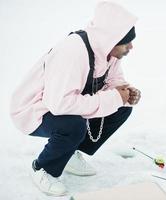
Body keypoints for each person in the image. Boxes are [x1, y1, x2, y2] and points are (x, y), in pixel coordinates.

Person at [9, 1, 141, 196]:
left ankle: (69, 153)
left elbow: (113, 81)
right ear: (111, 38)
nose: (131, 46)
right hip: (34, 110)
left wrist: (125, 92)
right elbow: (59, 104)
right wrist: (114, 98)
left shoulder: (109, 53)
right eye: (126, 41)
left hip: (63, 104)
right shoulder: (72, 52)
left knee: (122, 107)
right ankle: (43, 168)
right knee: (73, 126)